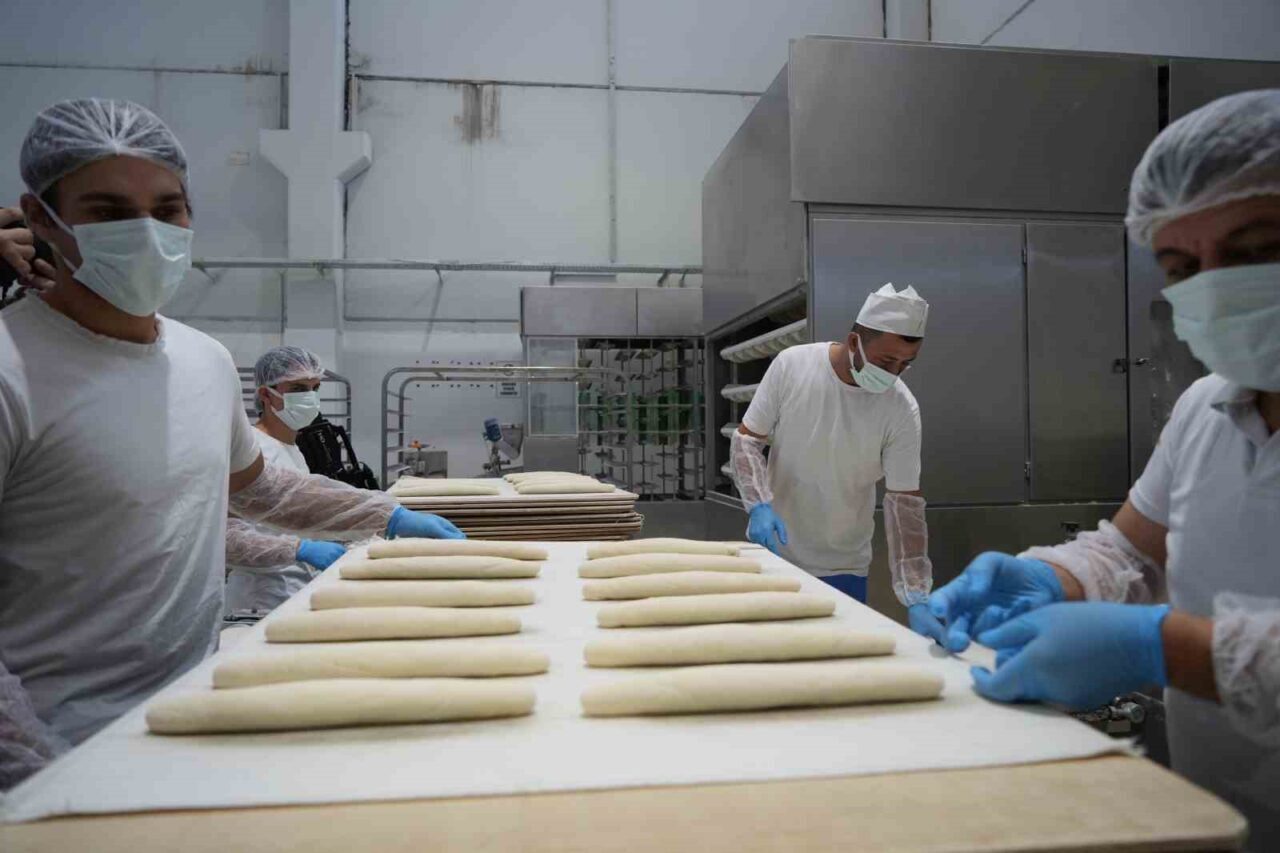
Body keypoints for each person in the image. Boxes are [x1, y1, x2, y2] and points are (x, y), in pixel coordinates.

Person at [0, 98, 461, 789]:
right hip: (49, 744)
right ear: (42, 219)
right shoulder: (11, 371)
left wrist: (384, 515)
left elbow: (259, 488)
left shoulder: (204, 361)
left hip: (185, 717)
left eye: (167, 208)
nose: (147, 232)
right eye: (108, 211)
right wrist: (35, 780)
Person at [921, 89, 1280, 847]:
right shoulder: (1208, 408)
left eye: (1253, 251)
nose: (1216, 285)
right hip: (1212, 812)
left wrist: (1162, 645)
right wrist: (1052, 577)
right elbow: (1130, 551)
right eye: (1183, 266)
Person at [730, 284, 944, 636]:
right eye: (886, 361)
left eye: (905, 364)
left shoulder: (901, 409)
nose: (893, 373)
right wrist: (758, 504)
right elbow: (747, 441)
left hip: (845, 563)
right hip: (776, 553)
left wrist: (916, 595)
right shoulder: (794, 365)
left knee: (837, 657)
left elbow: (904, 505)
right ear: (854, 341)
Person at [224, 346, 348, 617]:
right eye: (298, 388)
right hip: (258, 600)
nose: (310, 397)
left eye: (315, 388)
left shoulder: (293, 449)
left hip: (294, 590)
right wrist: (298, 549)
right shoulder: (251, 450)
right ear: (265, 394)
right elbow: (227, 537)